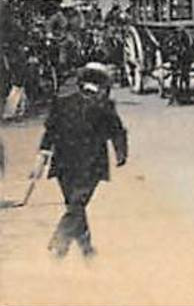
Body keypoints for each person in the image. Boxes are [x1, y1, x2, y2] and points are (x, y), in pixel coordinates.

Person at [35, 63, 128, 258]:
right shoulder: (104, 105)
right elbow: (117, 131)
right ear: (102, 84)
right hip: (91, 166)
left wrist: (42, 156)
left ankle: (85, 248)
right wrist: (121, 154)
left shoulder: (61, 102)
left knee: (75, 205)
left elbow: (49, 132)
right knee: (77, 205)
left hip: (63, 164)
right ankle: (63, 241)